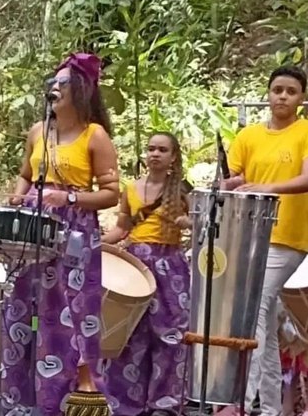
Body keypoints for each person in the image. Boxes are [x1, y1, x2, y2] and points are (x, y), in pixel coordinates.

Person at [3, 53, 120, 415]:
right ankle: (20, 399)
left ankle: (67, 397)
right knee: (23, 308)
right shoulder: (38, 131)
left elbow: (112, 193)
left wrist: (68, 196)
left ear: (81, 90)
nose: (54, 88)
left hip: (74, 233)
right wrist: (19, 193)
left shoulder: (94, 135)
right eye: (52, 82)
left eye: (63, 83)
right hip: (33, 229)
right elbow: (25, 173)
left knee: (67, 313)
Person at [219, 65, 308, 416]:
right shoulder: (248, 136)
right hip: (248, 234)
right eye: (277, 89)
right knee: (262, 318)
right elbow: (231, 181)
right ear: (268, 94)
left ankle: (239, 402)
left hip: (287, 238)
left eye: (291, 91)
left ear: (301, 98)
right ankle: (269, 408)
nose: (282, 96)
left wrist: (267, 189)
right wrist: (232, 184)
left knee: (254, 310)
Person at [101, 132, 191, 415]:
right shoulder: (131, 189)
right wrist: (97, 245)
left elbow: (200, 223)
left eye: (162, 150)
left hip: (170, 265)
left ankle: (165, 403)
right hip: (136, 264)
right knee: (130, 334)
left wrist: (187, 221)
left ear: (173, 157)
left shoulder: (183, 190)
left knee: (170, 335)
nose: (155, 154)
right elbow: (121, 228)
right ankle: (127, 403)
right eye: (151, 149)